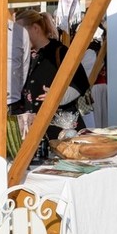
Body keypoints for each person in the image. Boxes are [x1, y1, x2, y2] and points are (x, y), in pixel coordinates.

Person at [14, 10, 90, 139]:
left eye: (21, 32)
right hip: (33, 129)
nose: (18, 37)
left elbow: (80, 83)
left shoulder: (60, 52)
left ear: (35, 28)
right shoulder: (23, 56)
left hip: (61, 128)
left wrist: (56, 96)